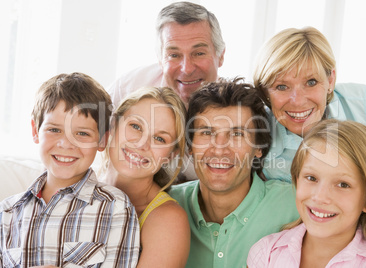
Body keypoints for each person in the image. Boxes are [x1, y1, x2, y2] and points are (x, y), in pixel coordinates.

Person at [252, 26, 366, 226]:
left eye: (311, 82)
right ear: (264, 91)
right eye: (282, 86)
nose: (297, 101)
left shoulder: (363, 104)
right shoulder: (257, 133)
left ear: (330, 79)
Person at [0, 73, 140, 267]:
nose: (66, 143)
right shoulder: (7, 213)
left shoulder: (115, 208)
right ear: (35, 130)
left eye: (82, 133)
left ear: (102, 140)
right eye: (54, 130)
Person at [168, 78, 299, 268]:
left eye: (237, 134)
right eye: (206, 133)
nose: (220, 149)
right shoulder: (168, 206)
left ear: (258, 148)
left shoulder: (295, 205)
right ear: (190, 146)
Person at [247, 119, 366, 267]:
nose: (320, 197)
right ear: (296, 180)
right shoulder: (266, 253)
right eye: (311, 178)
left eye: (343, 184)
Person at [100, 86, 190, 267]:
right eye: (136, 126)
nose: (142, 144)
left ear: (171, 155)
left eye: (159, 139)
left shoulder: (168, 220)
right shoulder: (76, 186)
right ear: (114, 125)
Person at [108, 1, 225, 106]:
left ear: (221, 56)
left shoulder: (235, 106)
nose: (187, 69)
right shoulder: (127, 89)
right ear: (160, 59)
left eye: (199, 53)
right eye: (174, 55)